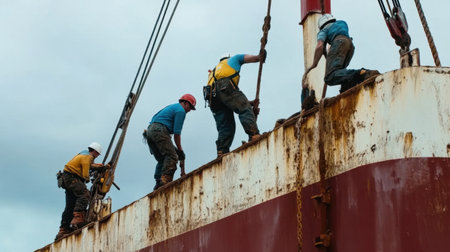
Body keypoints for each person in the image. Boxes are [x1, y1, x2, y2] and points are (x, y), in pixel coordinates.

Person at [206, 51, 266, 156]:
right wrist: (259, 57)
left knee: (226, 125)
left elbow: (228, 98)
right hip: (225, 86)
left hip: (212, 98)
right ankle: (254, 134)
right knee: (244, 108)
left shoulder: (214, 71)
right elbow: (253, 58)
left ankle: (222, 150)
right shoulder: (233, 59)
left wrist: (250, 102)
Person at [303, 14, 379, 95]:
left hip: (339, 43)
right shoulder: (342, 23)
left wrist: (314, 64)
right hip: (350, 45)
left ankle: (361, 73)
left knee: (330, 77)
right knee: (341, 73)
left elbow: (320, 46)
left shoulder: (323, 30)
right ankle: (346, 90)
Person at [55, 142, 108, 240]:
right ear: (95, 152)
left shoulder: (83, 155)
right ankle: (78, 218)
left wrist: (99, 166)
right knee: (85, 195)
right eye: (97, 155)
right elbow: (85, 173)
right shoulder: (88, 157)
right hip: (72, 178)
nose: (96, 157)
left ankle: (63, 230)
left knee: (70, 205)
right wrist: (87, 179)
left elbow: (89, 165)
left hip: (67, 179)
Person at [145, 94, 196, 190]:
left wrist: (177, 150)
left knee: (162, 158)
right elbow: (177, 134)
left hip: (150, 132)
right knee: (172, 156)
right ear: (185, 103)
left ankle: (158, 182)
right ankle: (165, 181)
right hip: (159, 130)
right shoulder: (181, 111)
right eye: (190, 107)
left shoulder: (172, 107)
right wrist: (180, 151)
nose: (189, 110)